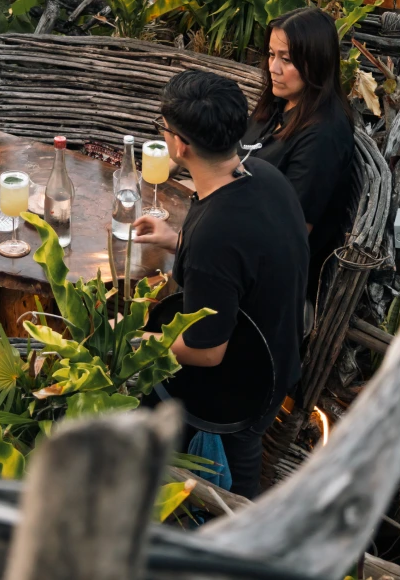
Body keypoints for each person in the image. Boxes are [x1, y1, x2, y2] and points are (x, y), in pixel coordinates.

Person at [133, 70, 309, 498]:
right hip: (281, 350)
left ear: (180, 144)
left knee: (235, 478)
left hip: (242, 389)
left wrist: (138, 339)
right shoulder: (264, 177)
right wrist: (176, 241)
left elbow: (208, 352)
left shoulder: (215, 232)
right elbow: (242, 264)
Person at [240, 7, 354, 300]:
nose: (273, 68)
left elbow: (290, 233)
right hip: (237, 236)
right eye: (270, 54)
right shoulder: (281, 104)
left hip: (266, 282)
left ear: (317, 63)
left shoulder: (323, 136)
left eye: (287, 60)